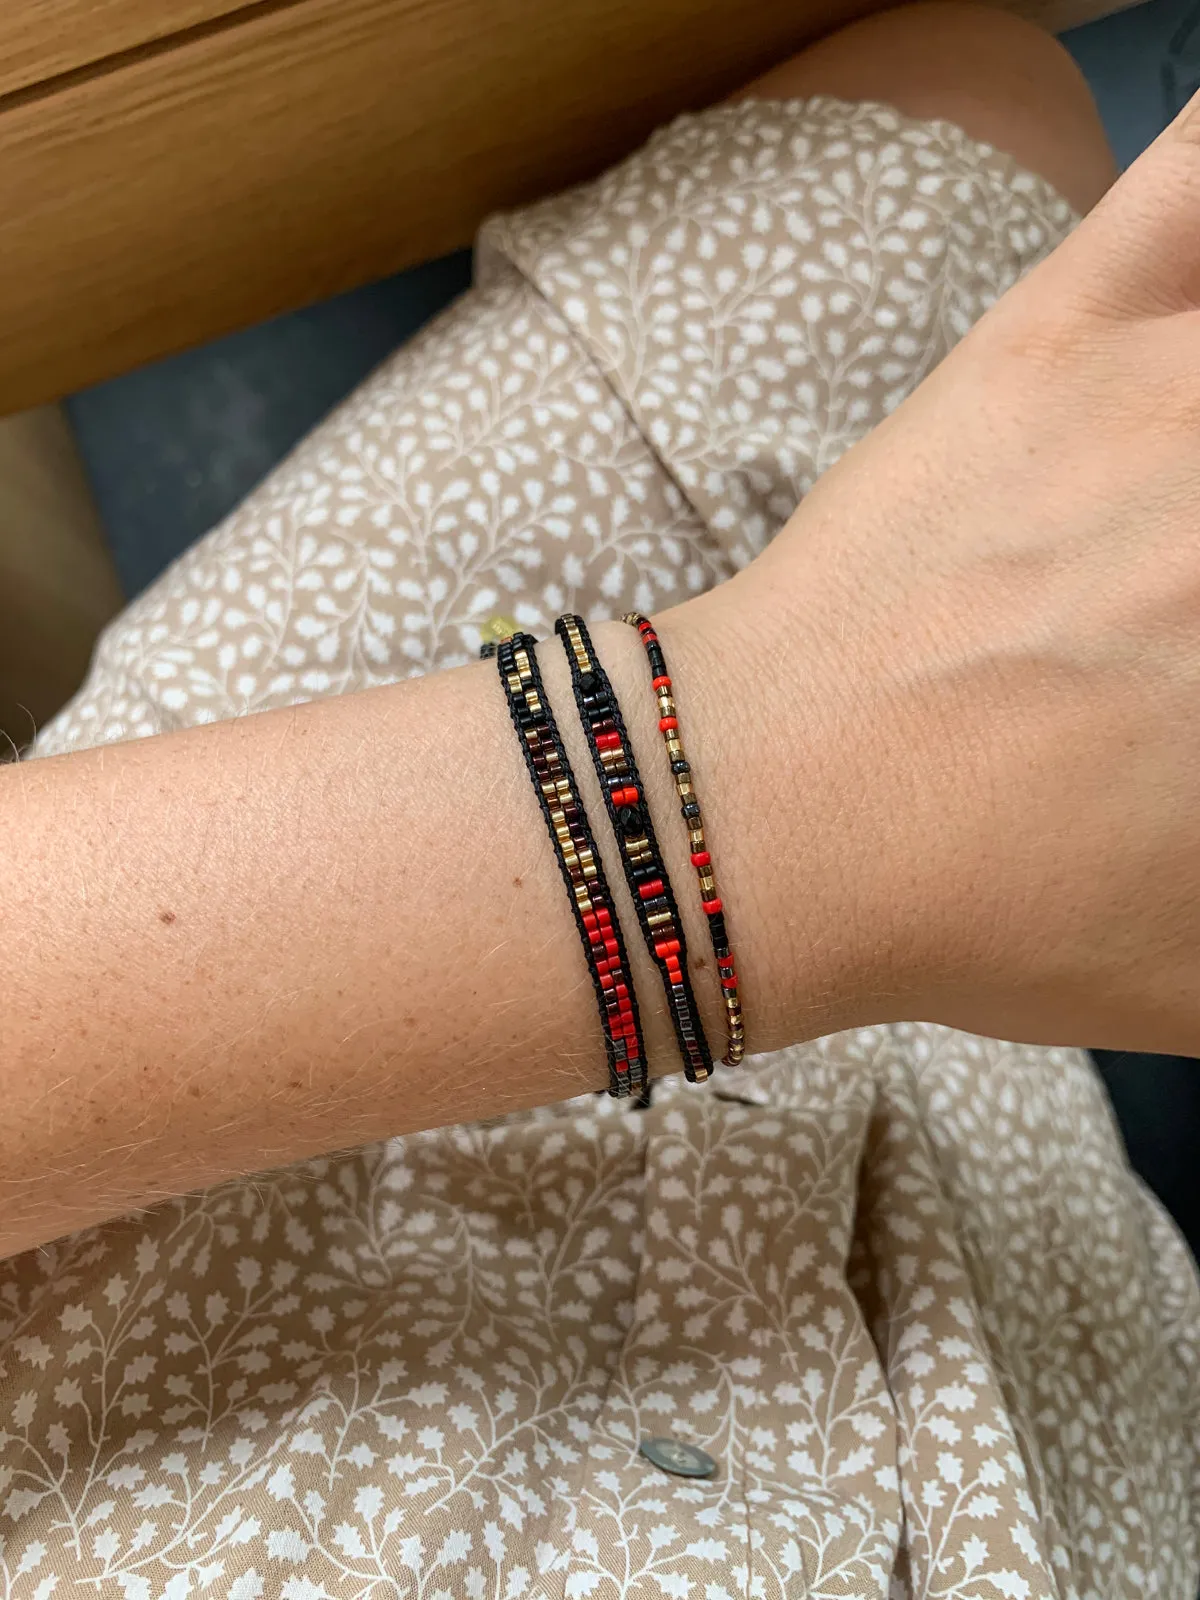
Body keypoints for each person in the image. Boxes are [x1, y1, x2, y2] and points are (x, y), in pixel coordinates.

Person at [3, 2, 1199, 1590]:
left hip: (193, 1056)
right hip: (1025, 1291)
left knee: (948, 117)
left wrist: (776, 765)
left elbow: (934, 153)